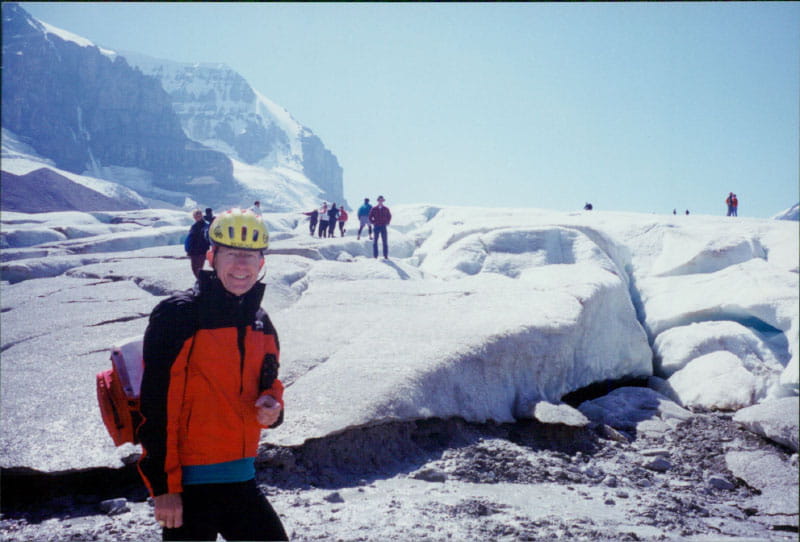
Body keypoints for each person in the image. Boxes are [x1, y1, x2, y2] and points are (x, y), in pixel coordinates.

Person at [138, 208, 288, 541]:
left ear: (261, 263)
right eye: (232, 254)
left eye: (250, 256)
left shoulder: (261, 322)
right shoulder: (178, 315)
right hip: (188, 488)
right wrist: (164, 488)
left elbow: (270, 384)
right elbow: (155, 406)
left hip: (242, 479)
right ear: (211, 257)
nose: (241, 265)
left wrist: (272, 406)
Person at [184, 209, 210, 279]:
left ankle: (201, 283)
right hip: (195, 251)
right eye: (196, 215)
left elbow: (207, 238)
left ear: (201, 216)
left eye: (199, 215)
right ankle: (200, 283)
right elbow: (190, 239)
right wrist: (188, 249)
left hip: (200, 251)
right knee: (195, 268)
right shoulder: (195, 226)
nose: (198, 216)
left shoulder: (205, 226)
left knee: (197, 269)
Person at [368, 195, 392, 259]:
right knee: (375, 241)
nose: (380, 201)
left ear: (383, 201)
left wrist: (387, 222)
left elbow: (389, 216)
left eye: (382, 200)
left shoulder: (386, 209)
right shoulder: (374, 209)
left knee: (385, 241)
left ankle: (385, 256)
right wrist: (373, 222)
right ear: (378, 200)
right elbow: (370, 217)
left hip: (383, 226)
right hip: (376, 226)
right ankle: (375, 256)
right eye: (379, 200)